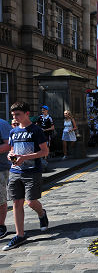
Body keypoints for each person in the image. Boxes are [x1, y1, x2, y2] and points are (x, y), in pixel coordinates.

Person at [2, 102, 49, 251]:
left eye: (18, 115)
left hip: (32, 171)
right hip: (15, 171)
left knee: (31, 202)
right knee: (16, 203)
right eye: (13, 115)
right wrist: (11, 156)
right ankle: (20, 235)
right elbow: (11, 149)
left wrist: (25, 157)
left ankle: (42, 213)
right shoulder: (13, 132)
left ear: (27, 114)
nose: (15, 118)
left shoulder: (36, 130)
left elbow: (44, 152)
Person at [0, 118, 12, 239]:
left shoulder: (2, 124)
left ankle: (1, 225)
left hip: (1, 168)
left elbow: (9, 144)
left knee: (0, 198)